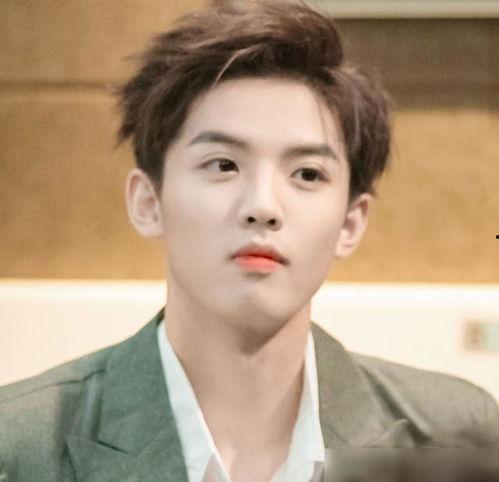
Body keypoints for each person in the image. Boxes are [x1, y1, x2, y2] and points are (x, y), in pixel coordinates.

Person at [1, 1, 498, 481]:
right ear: (148, 202)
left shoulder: (448, 437)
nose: (262, 206)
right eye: (223, 165)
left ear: (351, 223)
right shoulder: (22, 448)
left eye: (307, 173)